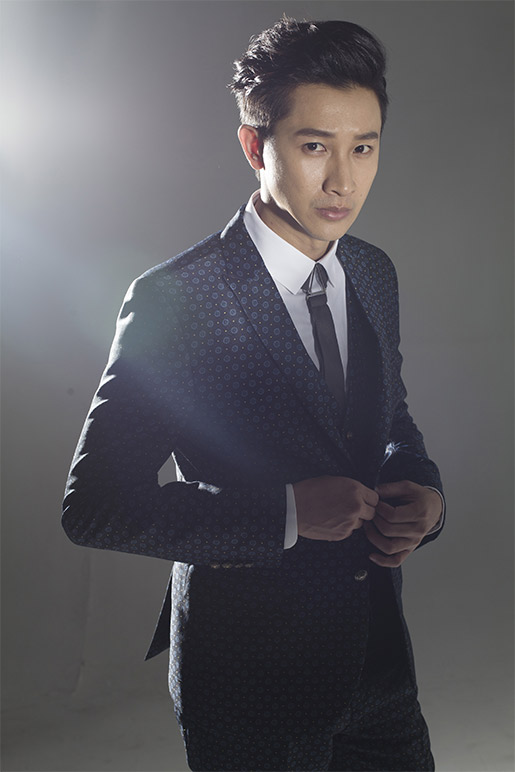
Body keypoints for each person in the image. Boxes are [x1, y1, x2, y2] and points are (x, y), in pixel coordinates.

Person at [63, 17, 444, 772]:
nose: (343, 182)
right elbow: (96, 505)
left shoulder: (372, 272)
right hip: (249, 683)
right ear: (253, 146)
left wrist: (421, 489)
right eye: (315, 147)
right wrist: (288, 514)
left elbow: (388, 416)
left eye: (363, 148)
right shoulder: (178, 299)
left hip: (378, 669)